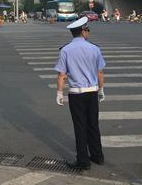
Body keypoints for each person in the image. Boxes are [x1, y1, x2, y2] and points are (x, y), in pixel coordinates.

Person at [54, 16, 106, 170]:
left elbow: (61, 75)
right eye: (87, 30)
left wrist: (59, 93)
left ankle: (83, 161)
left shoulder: (65, 50)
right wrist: (101, 89)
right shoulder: (95, 48)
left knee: (80, 127)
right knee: (93, 125)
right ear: (83, 32)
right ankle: (98, 156)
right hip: (92, 93)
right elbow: (100, 73)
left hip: (76, 94)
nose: (88, 32)